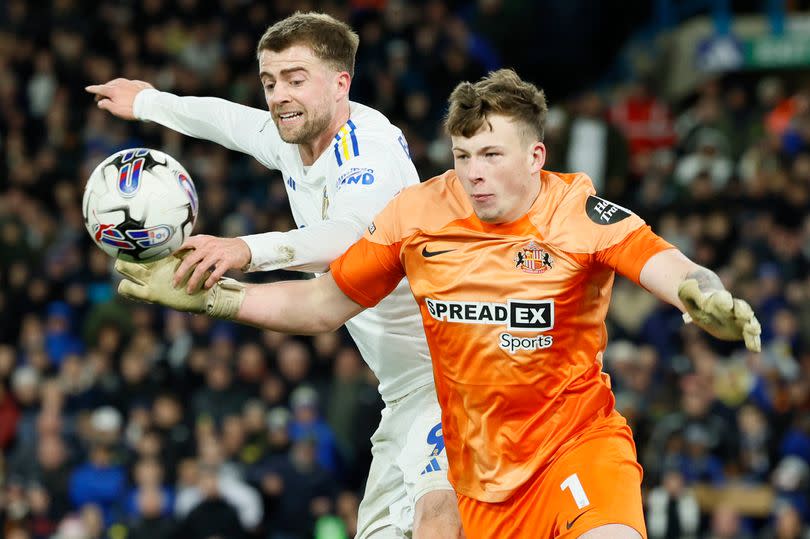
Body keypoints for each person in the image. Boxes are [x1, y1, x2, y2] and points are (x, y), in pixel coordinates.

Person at [114, 68, 762, 538]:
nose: (473, 171)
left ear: (536, 156)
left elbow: (664, 260)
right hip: (478, 468)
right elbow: (320, 306)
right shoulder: (419, 216)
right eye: (461, 155)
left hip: (574, 445)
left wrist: (701, 291)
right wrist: (219, 300)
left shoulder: (576, 211)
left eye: (490, 154)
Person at [86, 12, 461, 539]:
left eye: (295, 78)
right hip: (403, 391)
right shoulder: (294, 139)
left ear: (340, 83)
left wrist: (246, 250)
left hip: (454, 374)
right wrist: (147, 102)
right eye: (270, 81)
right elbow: (226, 121)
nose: (278, 94)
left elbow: (351, 235)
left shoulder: (366, 151)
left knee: (437, 516)